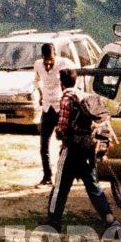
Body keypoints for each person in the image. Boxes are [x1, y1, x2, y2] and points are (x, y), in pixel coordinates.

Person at [48, 68, 117, 233]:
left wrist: (59, 133)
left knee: (60, 187)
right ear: (75, 81)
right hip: (89, 148)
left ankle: (53, 222)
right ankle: (110, 219)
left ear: (61, 83)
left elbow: (63, 127)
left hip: (72, 149)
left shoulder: (66, 98)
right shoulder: (84, 96)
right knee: (93, 186)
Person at [33, 40, 80, 185]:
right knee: (43, 144)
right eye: (46, 61)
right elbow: (36, 81)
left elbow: (75, 77)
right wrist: (41, 94)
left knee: (67, 141)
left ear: (55, 56)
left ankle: (71, 174)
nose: (48, 64)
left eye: (51, 61)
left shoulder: (64, 63)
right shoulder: (38, 65)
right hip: (47, 107)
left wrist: (69, 95)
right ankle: (47, 176)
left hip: (61, 106)